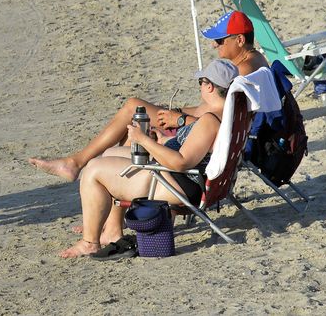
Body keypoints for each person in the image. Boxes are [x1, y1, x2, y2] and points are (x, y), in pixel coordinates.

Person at [30, 10, 268, 183]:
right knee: (136, 121)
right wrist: (177, 113)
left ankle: (79, 166)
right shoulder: (251, 64)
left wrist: (181, 120)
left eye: (219, 40)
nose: (215, 46)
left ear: (239, 40)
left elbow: (220, 123)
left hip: (204, 140)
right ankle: (108, 198)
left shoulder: (244, 72)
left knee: (134, 109)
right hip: (205, 129)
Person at [57, 59, 239, 259]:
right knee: (109, 154)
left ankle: (89, 243)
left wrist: (142, 139)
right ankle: (112, 231)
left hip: (179, 183)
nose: (200, 88)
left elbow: (181, 162)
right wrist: (165, 140)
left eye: (201, 83)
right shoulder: (231, 114)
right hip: (189, 179)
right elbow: (199, 150)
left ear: (210, 86)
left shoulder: (210, 120)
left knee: (93, 171)